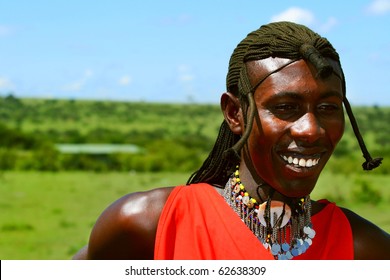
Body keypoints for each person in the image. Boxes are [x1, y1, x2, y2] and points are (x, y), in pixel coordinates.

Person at [73, 21, 389, 260]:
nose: (311, 130)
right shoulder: (146, 226)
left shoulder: (363, 249)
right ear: (235, 113)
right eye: (285, 108)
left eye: (327, 108)